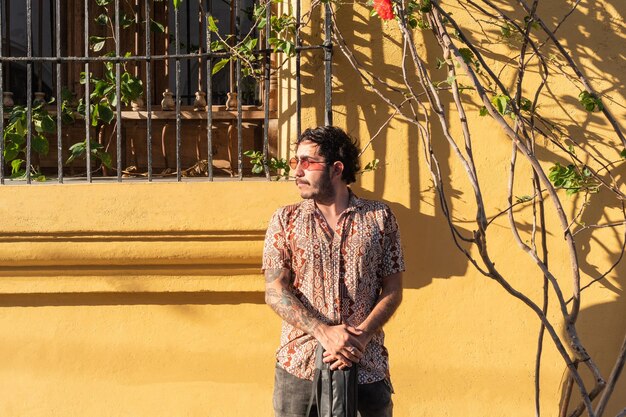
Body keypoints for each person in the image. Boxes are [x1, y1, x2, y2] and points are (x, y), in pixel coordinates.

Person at [262, 126, 405, 417]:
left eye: (307, 162)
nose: (297, 172)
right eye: (295, 162)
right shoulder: (286, 219)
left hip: (365, 363)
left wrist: (361, 338)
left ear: (336, 168)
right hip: (299, 365)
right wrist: (323, 332)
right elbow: (275, 290)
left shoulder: (379, 217)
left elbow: (393, 289)